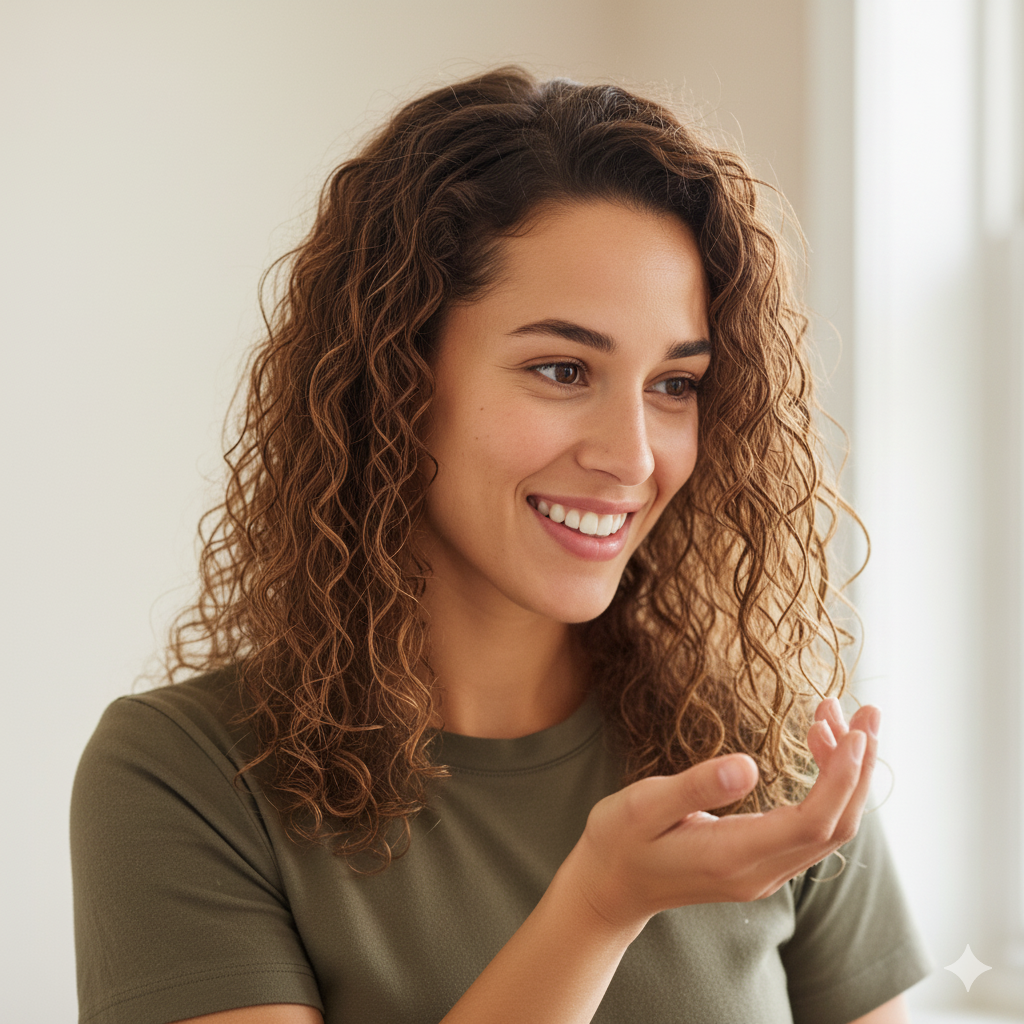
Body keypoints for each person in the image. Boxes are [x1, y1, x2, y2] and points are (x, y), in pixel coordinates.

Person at [70, 67, 932, 1024]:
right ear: (396, 378)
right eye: (564, 369)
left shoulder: (773, 756)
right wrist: (599, 905)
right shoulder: (183, 777)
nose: (632, 457)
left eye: (675, 385)